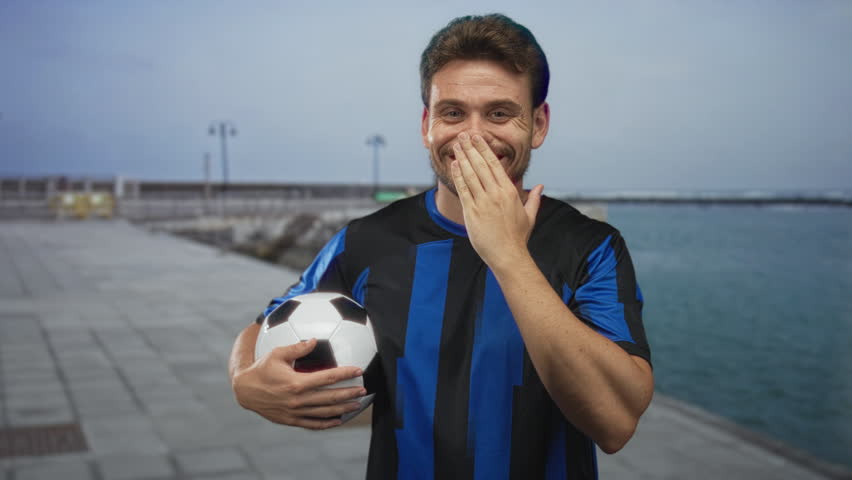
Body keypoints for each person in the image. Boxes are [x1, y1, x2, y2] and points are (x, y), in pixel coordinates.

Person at [229, 13, 653, 480]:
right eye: (453, 113)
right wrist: (243, 379)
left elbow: (615, 424)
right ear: (426, 125)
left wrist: (508, 255)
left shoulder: (590, 246)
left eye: (499, 113)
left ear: (538, 124)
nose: (473, 135)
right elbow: (266, 323)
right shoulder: (366, 241)